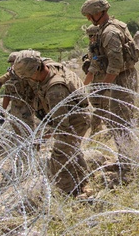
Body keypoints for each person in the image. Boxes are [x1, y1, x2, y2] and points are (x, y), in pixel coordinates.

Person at [11, 50, 89, 195]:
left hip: (75, 121)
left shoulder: (55, 91)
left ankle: (68, 193)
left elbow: (62, 127)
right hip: (71, 115)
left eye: (28, 77)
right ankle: (84, 180)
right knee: (72, 149)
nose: (27, 80)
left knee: (60, 156)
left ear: (35, 71)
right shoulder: (46, 64)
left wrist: (44, 136)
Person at [80, 0, 139, 171]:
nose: (89, 19)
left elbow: (114, 66)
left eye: (90, 15)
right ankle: (125, 159)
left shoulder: (109, 33)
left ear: (100, 12)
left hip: (121, 81)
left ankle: (127, 164)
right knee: (118, 122)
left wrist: (102, 87)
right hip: (120, 80)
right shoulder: (110, 27)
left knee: (120, 122)